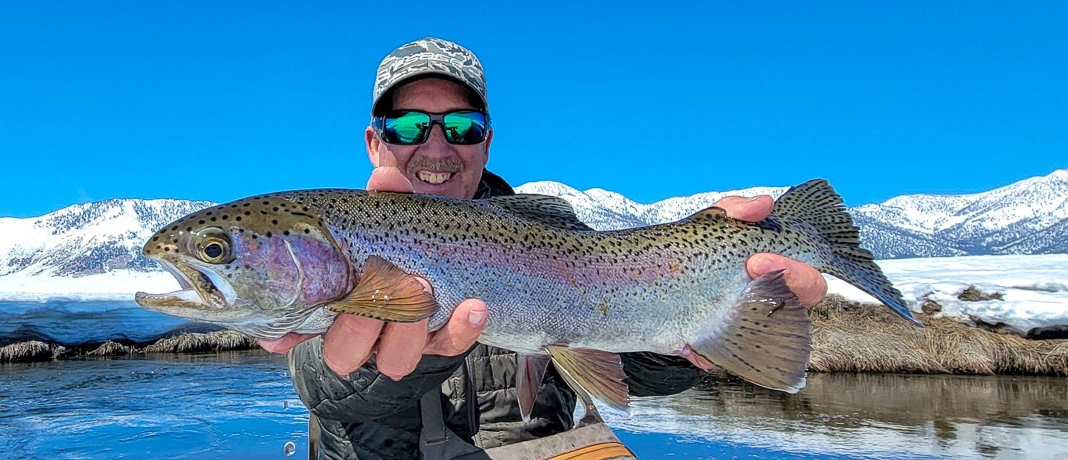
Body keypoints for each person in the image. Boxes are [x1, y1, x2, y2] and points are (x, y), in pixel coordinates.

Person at [259, 37, 829, 459]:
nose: (435, 146)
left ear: (487, 140)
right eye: (407, 127)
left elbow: (638, 370)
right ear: (373, 141)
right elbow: (324, 389)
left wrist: (710, 317)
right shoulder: (332, 239)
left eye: (460, 126)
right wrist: (404, 358)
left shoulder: (560, 239)